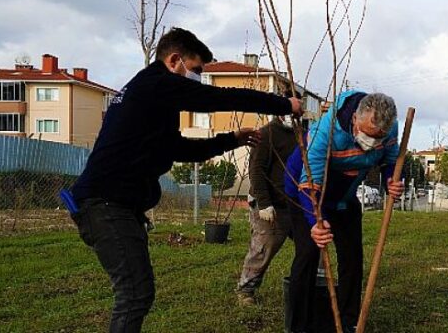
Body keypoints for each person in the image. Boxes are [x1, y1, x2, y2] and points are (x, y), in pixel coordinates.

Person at [68, 27, 303, 332]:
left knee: (137, 294)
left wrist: (232, 138)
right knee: (135, 294)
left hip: (115, 206)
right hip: (105, 205)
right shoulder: (156, 84)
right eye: (195, 71)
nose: (198, 79)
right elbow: (218, 97)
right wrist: (283, 105)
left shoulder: (153, 101)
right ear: (174, 60)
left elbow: (179, 148)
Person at [284, 91, 404, 333]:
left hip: (344, 197)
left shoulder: (389, 128)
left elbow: (390, 159)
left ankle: (349, 321)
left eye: (379, 138)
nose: (373, 143)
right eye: (369, 135)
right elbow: (309, 184)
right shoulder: (324, 133)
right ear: (355, 120)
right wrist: (315, 222)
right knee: (308, 254)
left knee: (352, 256)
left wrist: (392, 178)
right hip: (305, 194)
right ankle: (299, 326)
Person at [236, 115, 298, 305]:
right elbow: (256, 170)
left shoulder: (301, 135)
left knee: (313, 245)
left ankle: (312, 284)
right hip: (270, 204)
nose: (292, 117)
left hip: (295, 204)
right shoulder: (265, 135)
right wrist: (264, 204)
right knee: (264, 247)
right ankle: (246, 290)